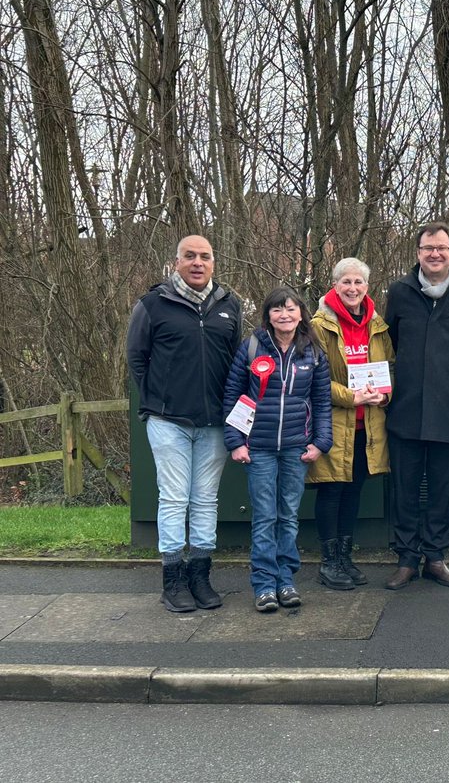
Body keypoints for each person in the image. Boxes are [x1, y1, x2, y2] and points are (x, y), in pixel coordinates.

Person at [127, 235, 242, 613]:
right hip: (168, 421)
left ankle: (200, 576)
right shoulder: (152, 304)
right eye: (189, 256)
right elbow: (137, 359)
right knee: (174, 498)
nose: (197, 262)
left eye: (204, 257)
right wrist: (160, 399)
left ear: (213, 262)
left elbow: (235, 362)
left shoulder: (230, 305)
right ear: (176, 262)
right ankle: (172, 580)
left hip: (214, 423)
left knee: (206, 499)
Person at [384, 222, 449, 590]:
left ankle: (436, 557)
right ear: (418, 253)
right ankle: (407, 558)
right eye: (428, 248)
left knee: (442, 489)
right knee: (405, 488)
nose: (435, 254)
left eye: (442, 247)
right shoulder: (400, 293)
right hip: (405, 409)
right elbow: (389, 343)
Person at [223, 287, 332, 612]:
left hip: (297, 449)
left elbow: (322, 401)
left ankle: (286, 580)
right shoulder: (252, 347)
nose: (284, 315)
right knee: (264, 517)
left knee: (288, 517)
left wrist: (320, 443)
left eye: (290, 309)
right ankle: (264, 585)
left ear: (301, 313)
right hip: (259, 449)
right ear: (267, 315)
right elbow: (233, 394)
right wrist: (235, 441)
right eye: (277, 310)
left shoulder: (313, 353)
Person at [308, 258, 394, 590]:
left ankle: (345, 557)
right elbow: (313, 378)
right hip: (332, 423)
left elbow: (391, 368)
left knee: (354, 491)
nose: (352, 288)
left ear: (367, 287)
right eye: (346, 282)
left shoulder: (378, 325)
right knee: (332, 490)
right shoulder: (318, 326)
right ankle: (329, 563)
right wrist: (351, 397)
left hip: (368, 425)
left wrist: (383, 395)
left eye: (358, 282)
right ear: (335, 285)